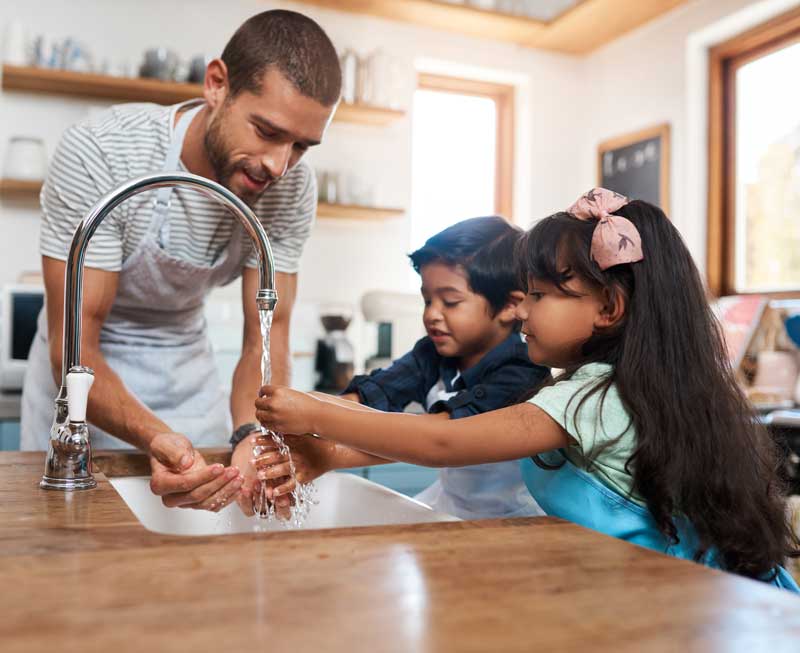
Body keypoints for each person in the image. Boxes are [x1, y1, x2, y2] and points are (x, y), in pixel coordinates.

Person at [254, 189, 800, 591]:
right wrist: (324, 441)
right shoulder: (620, 389)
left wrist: (312, 412)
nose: (523, 310)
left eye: (538, 296)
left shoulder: (588, 398)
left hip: (682, 598)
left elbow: (445, 442)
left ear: (609, 308)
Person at [20, 10, 341, 512]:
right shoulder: (104, 152)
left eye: (301, 146)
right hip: (81, 384)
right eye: (266, 131)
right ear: (217, 84)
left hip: (187, 372)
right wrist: (157, 438)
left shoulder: (290, 189)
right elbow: (75, 344)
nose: (279, 165)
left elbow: (266, 337)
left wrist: (253, 436)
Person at [233, 216, 550, 519]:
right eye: (427, 300)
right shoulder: (433, 353)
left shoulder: (521, 370)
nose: (432, 315)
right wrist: (298, 412)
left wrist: (319, 430)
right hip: (450, 504)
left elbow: (438, 437)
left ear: (511, 306)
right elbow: (374, 396)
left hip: (513, 518)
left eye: (450, 302)